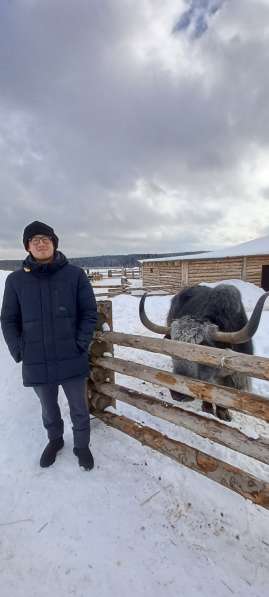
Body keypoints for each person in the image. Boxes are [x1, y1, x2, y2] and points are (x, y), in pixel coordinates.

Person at [1, 221, 98, 470]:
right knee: (48, 408)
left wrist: (80, 344)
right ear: (27, 247)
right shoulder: (15, 280)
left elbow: (89, 313)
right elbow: (8, 319)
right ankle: (55, 441)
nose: (40, 243)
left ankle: (81, 445)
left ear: (54, 243)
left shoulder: (75, 275)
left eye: (45, 238)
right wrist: (18, 348)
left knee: (79, 407)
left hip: (71, 355)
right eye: (35, 240)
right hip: (36, 358)